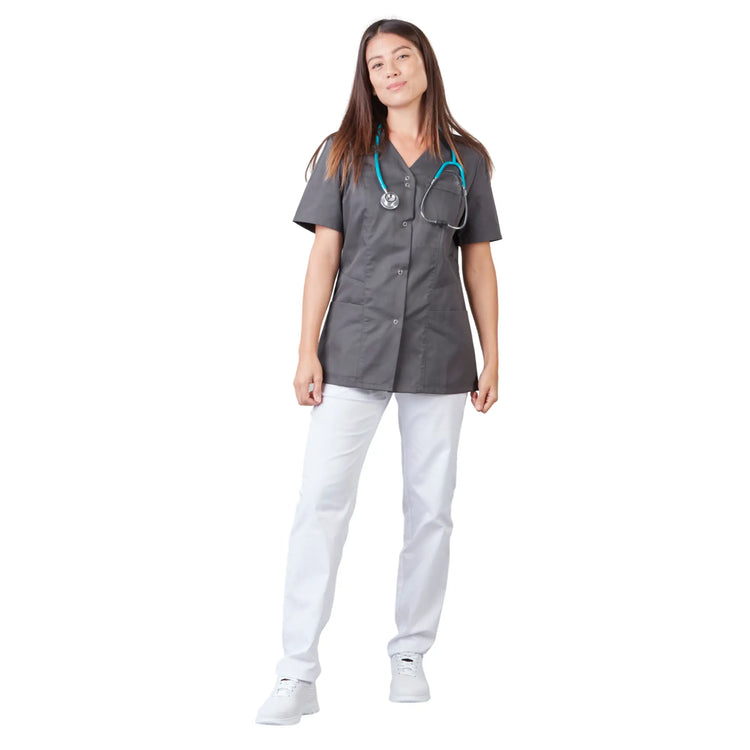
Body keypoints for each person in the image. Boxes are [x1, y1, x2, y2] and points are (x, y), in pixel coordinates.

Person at [255, 17, 503, 725]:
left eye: (402, 56)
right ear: (366, 80)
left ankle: (410, 654)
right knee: (320, 505)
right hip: (353, 349)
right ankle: (296, 672)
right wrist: (306, 349)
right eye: (376, 64)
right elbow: (323, 257)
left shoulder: (467, 160)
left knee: (431, 510)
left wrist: (493, 353)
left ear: (426, 64)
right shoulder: (342, 154)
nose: (390, 71)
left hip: (439, 351)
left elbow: (478, 260)